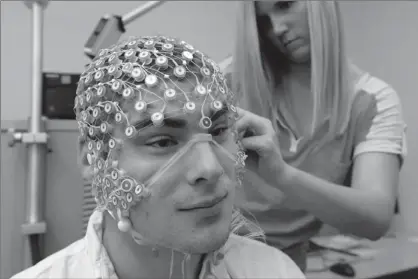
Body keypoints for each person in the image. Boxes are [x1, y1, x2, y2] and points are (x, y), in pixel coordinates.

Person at [12, 35, 305, 279]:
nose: (211, 168)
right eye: (163, 141)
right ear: (93, 159)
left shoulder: (275, 271)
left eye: (217, 131)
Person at [224, 1, 407, 271]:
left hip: (288, 266)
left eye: (285, 5)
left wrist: (282, 175)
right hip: (210, 260)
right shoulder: (223, 84)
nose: (277, 28)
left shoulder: (373, 101)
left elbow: (376, 218)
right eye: (263, 21)